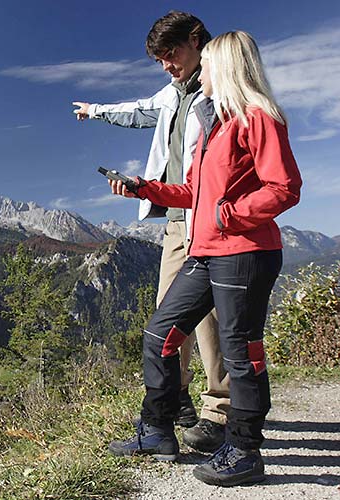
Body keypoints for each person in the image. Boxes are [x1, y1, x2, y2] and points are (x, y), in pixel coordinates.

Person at [106, 31, 302, 487]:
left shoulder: (259, 118)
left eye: (207, 65)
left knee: (241, 350)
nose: (201, 74)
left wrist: (229, 214)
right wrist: (146, 187)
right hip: (206, 252)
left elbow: (284, 187)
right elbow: (193, 192)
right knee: (160, 333)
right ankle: (156, 431)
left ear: (225, 68)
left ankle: (246, 451)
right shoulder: (213, 127)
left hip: (246, 252)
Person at [73, 10, 229, 451]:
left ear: (196, 40)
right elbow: (137, 110)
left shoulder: (222, 88)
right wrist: (96, 111)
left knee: (212, 320)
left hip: (213, 218)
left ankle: (220, 410)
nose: (165, 63)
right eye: (159, 57)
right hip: (176, 218)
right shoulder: (171, 93)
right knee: (166, 314)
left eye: (171, 53)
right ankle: (175, 401)